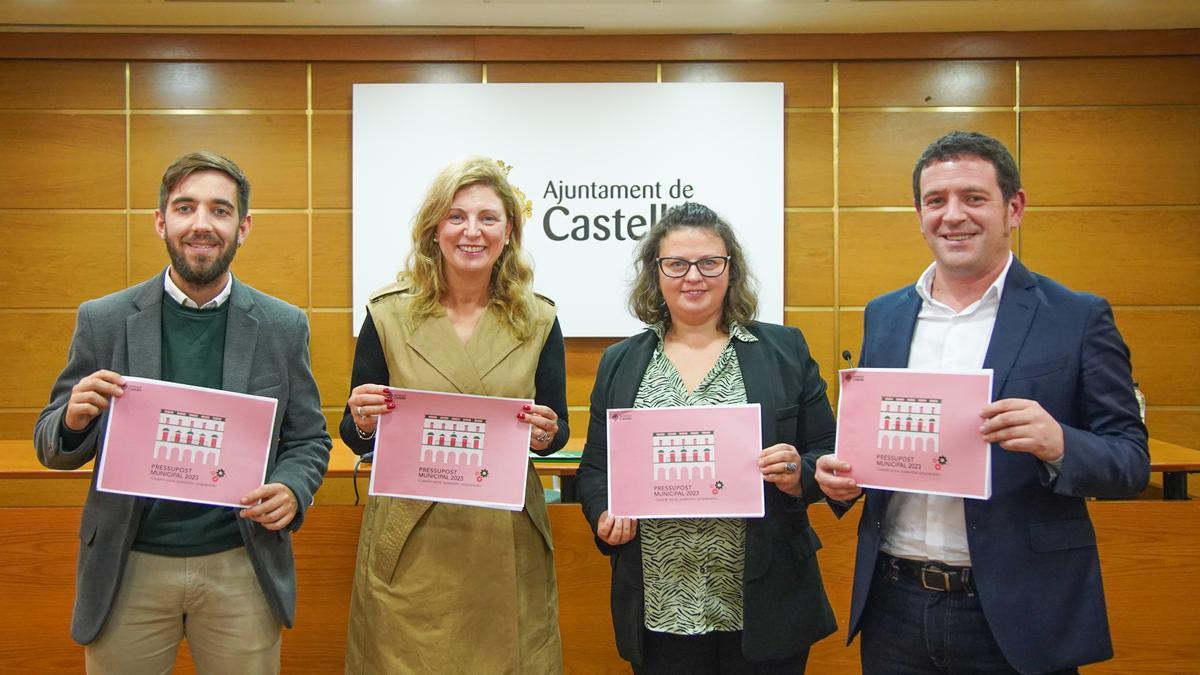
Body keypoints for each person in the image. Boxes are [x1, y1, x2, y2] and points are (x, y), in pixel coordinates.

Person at [816, 131, 1149, 674]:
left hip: (1019, 609)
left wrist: (1061, 444)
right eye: (936, 201)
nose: (953, 216)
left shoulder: (1077, 315)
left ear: (1013, 208)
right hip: (894, 603)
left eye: (973, 198)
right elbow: (874, 443)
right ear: (919, 213)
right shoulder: (886, 314)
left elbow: (1130, 461)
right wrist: (844, 477)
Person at [33, 151, 332, 674]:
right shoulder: (103, 319)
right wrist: (74, 419)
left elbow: (308, 439)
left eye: (219, 211)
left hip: (240, 561)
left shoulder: (284, 326)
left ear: (242, 227)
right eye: (185, 207)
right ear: (161, 221)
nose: (201, 224)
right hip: (129, 564)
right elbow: (50, 445)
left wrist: (291, 488)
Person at [575, 202, 838, 673]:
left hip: (764, 597)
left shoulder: (784, 350)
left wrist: (799, 471)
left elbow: (829, 451)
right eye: (676, 264)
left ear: (730, 269)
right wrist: (603, 513)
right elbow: (597, 469)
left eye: (709, 263)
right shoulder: (621, 361)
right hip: (660, 601)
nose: (692, 276)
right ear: (655, 273)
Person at [340, 157, 569, 673]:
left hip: (503, 534)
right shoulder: (387, 314)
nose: (472, 231)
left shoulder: (540, 319)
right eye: (456, 217)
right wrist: (363, 421)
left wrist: (547, 434)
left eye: (488, 218)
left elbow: (557, 431)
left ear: (509, 231)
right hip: (411, 539)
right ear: (433, 230)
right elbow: (355, 432)